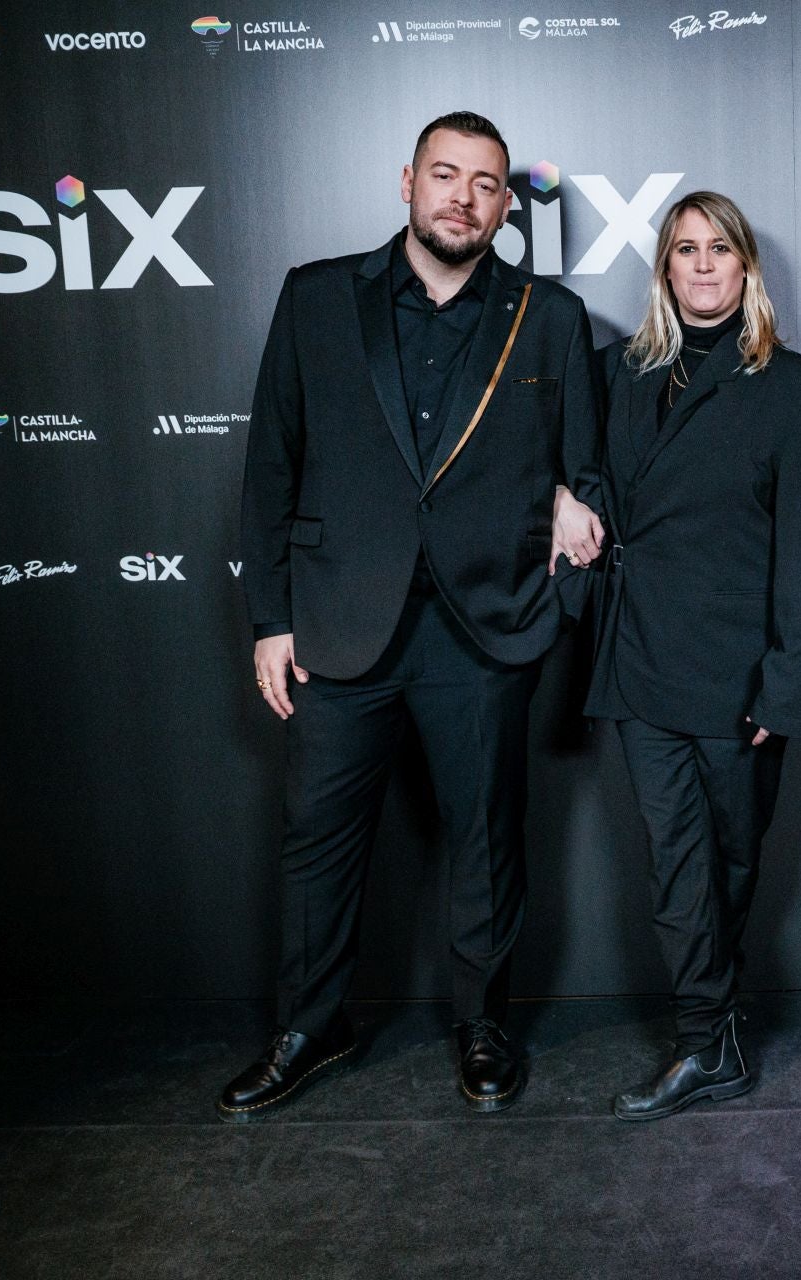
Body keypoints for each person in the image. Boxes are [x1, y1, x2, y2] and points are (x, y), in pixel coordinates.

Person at [222, 111, 605, 1122]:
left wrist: (572, 522)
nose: (462, 198)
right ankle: (308, 1026)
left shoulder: (549, 316)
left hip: (485, 627)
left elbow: (590, 467)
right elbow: (271, 467)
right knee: (317, 835)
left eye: (485, 184)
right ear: (406, 181)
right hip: (342, 622)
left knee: (485, 836)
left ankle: (484, 1023)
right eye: (445, 175)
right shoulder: (316, 299)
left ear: (505, 205)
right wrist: (271, 616)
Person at [587, 192, 801, 1120]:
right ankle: (704, 1042)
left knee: (731, 863)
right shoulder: (622, 373)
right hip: (641, 659)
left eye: (719, 249)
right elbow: (586, 482)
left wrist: (788, 684)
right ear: (665, 266)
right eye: (684, 249)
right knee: (676, 864)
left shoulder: (799, 390)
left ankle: (717, 1029)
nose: (701, 265)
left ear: (746, 268)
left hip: (742, 676)